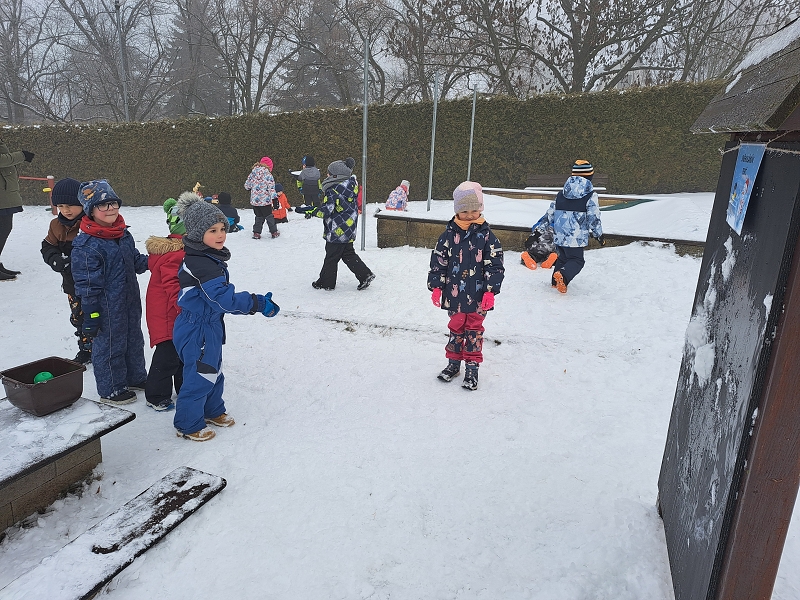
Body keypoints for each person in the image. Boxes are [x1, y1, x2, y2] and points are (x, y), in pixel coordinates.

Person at [172, 194, 280, 441]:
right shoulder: (201, 264)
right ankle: (188, 424)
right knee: (199, 375)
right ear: (197, 234)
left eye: (222, 228)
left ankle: (212, 410)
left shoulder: (208, 256)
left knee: (214, 370)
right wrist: (257, 302)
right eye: (213, 230)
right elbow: (223, 299)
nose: (221, 235)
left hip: (208, 325)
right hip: (196, 328)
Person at [71, 180, 149, 404]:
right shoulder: (87, 245)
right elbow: (86, 284)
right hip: (106, 306)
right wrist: (91, 313)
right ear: (91, 210)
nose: (110, 209)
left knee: (134, 339)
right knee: (110, 345)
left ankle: (135, 377)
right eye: (103, 205)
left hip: (130, 301)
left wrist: (159, 259)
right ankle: (111, 388)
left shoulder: (123, 234)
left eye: (114, 203)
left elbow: (135, 261)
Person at [428, 181, 504, 390]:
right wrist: (436, 286)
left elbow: (495, 265)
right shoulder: (448, 236)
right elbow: (439, 262)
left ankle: (472, 368)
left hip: (478, 298)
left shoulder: (487, 237)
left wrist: (490, 291)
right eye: (464, 211)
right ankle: (453, 364)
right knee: (456, 329)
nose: (470, 215)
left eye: (474, 210)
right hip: (454, 297)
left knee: (474, 332)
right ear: (457, 211)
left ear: (480, 209)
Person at [300, 157, 375, 291]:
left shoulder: (332, 190)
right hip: (349, 227)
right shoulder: (351, 187)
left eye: (329, 173)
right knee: (347, 253)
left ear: (336, 176)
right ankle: (365, 275)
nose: (327, 175)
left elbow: (326, 211)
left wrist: (312, 210)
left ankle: (326, 283)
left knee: (331, 256)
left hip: (337, 230)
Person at [142, 196, 188, 411]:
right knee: (167, 356)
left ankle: (184, 387)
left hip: (173, 313)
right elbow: (173, 285)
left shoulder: (182, 251)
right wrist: (184, 307)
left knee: (182, 353)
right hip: (169, 314)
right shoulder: (177, 255)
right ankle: (156, 395)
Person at [40, 177, 92, 364]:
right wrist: (54, 259)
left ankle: (102, 347)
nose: (66, 210)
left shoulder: (91, 223)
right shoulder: (56, 226)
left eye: (70, 205)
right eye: (61, 206)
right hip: (72, 284)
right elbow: (47, 246)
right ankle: (86, 349)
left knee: (96, 316)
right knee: (78, 317)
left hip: (94, 284)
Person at [532, 160, 604, 294]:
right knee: (577, 260)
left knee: (563, 258)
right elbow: (593, 217)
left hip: (559, 235)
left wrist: (539, 230)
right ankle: (563, 277)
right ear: (590, 177)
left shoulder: (561, 194)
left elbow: (550, 214)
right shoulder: (590, 195)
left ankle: (555, 283)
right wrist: (598, 234)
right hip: (576, 237)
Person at [0, 137, 34, 281]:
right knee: (3, 228)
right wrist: (22, 155)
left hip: (4, 192)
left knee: (4, 227)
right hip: (2, 193)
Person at [245, 156, 279, 239]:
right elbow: (271, 188)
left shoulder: (253, 173)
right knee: (269, 216)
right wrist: (275, 199)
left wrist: (252, 189)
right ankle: (274, 232)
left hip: (255, 201)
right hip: (265, 201)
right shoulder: (268, 175)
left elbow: (247, 186)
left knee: (258, 217)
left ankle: (256, 233)